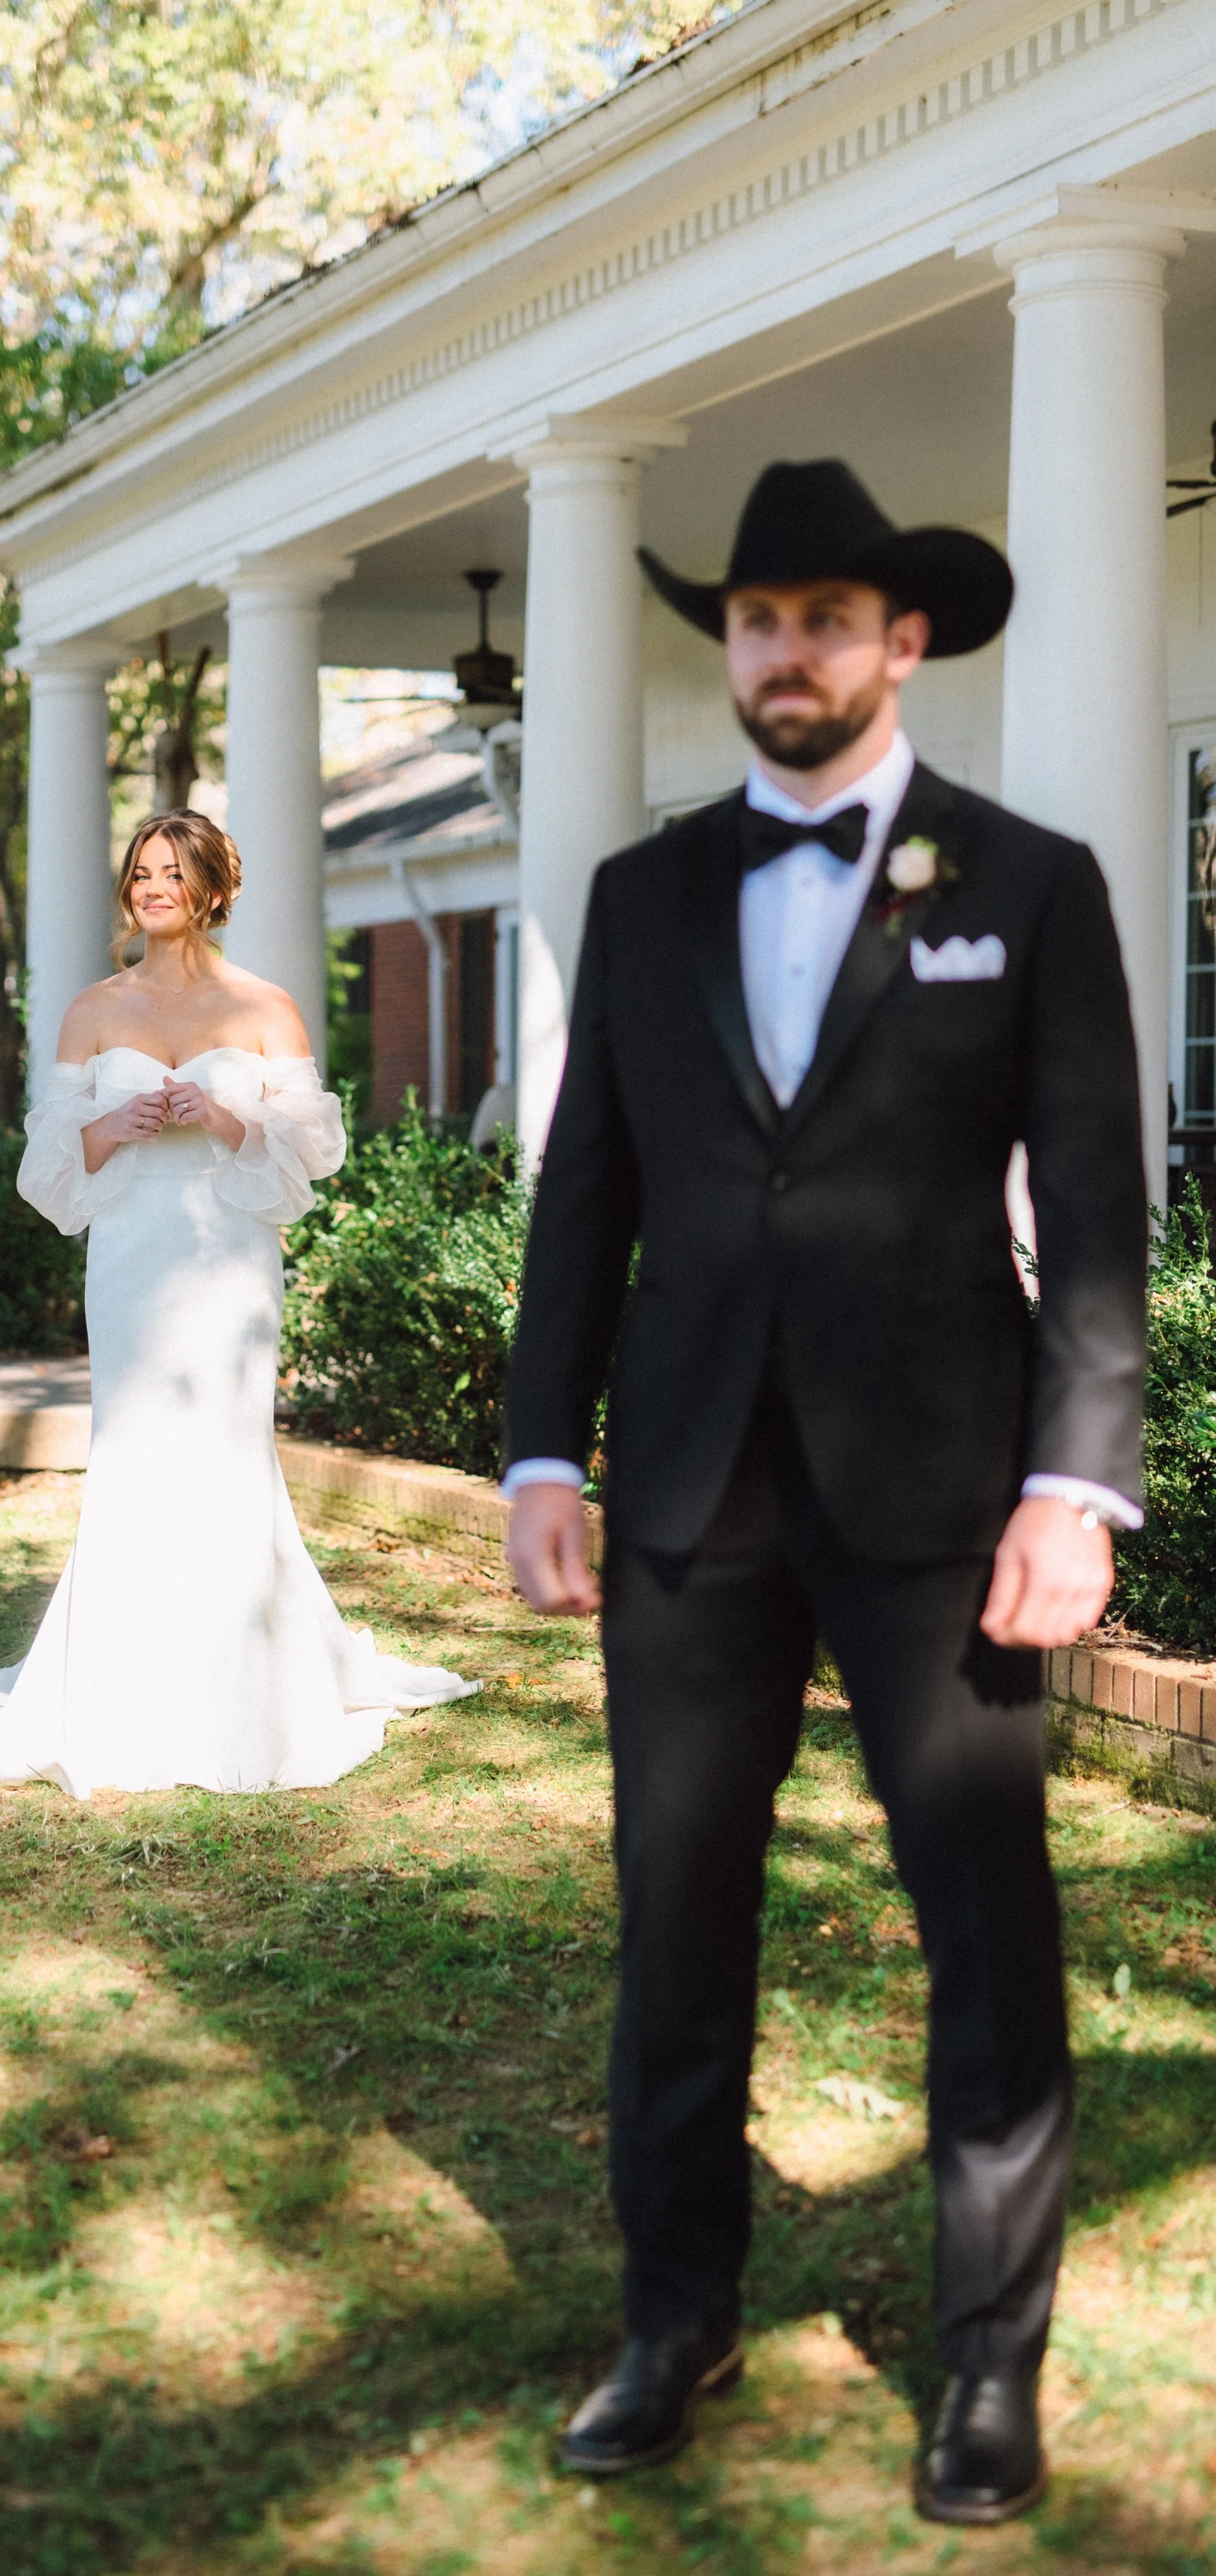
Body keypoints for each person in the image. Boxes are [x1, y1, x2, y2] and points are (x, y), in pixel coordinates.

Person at [502, 460, 1147, 2526]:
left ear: (903, 642)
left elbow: (1102, 1206)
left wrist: (1077, 1481)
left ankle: (983, 2362)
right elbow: (582, 1188)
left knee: (983, 1924)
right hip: (689, 1491)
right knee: (674, 1922)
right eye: (755, 618)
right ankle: (671, 2311)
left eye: (825, 619)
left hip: (942, 1492)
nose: (785, 651)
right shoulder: (640, 891)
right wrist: (536, 1440)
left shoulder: (1029, 883)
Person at [0, 809, 476, 1795]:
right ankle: (124, 1676)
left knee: (229, 1448)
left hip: (232, 1260)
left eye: (173, 872)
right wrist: (116, 1122)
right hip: (134, 1255)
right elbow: (46, 1161)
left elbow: (317, 1148)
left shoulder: (267, 1008)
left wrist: (226, 1117)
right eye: (141, 871)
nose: (153, 887)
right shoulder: (93, 1010)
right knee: (136, 1444)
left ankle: (249, 1676)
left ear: (211, 891)